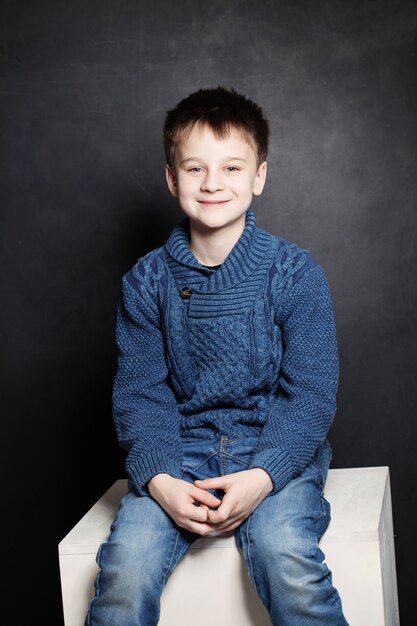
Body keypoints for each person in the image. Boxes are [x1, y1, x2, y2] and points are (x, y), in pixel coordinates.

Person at [85, 86, 349, 626]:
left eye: (231, 167)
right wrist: (159, 479)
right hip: (179, 456)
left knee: (285, 556)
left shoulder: (295, 273)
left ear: (259, 176)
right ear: (171, 178)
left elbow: (311, 394)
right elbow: (140, 394)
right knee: (125, 570)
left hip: (276, 453)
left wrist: (265, 474)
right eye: (195, 168)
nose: (212, 183)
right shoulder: (146, 283)